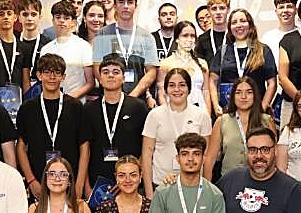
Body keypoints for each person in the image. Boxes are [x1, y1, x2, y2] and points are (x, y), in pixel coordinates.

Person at [78, 55, 149, 198]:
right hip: (96, 186)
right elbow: (85, 150)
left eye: (116, 72)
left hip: (131, 183)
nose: (110, 75)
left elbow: (145, 149)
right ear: (99, 78)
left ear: (124, 78)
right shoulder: (88, 110)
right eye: (105, 72)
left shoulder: (138, 107)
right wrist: (86, 187)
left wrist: (136, 177)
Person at [16, 53, 84, 201]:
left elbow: (84, 147)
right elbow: (20, 147)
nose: (52, 77)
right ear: (39, 75)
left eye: (57, 72)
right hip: (38, 181)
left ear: (63, 76)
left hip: (69, 181)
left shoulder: (75, 106)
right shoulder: (27, 108)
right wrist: (31, 181)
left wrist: (79, 183)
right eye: (47, 72)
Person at [142, 67, 212, 196]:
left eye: (182, 85)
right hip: (161, 184)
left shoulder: (202, 115)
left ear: (189, 89)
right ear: (166, 89)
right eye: (172, 85)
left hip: (193, 185)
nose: (177, 89)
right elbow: (146, 156)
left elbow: (206, 156)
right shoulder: (154, 115)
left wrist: (206, 189)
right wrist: (149, 194)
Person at [91, 0, 158, 100]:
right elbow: (96, 67)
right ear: (115, 6)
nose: (126, 6)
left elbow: (151, 72)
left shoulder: (147, 36)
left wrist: (132, 96)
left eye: (130, 2)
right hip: (109, 98)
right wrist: (112, 92)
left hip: (137, 100)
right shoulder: (102, 34)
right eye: (121, 2)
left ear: (136, 6)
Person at [205, 77, 275, 182]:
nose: (243, 97)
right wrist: (206, 189)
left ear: (255, 95)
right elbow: (210, 160)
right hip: (229, 182)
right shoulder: (222, 121)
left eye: (249, 92)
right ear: (232, 96)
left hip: (261, 180)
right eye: (238, 92)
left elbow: (275, 156)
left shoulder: (266, 121)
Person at [210, 9, 278, 116]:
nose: (239, 25)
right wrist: (215, 106)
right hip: (229, 111)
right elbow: (212, 80)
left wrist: (263, 107)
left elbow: (272, 83)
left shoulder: (263, 50)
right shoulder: (223, 51)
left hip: (255, 112)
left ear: (250, 25)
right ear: (230, 28)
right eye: (234, 22)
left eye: (243, 21)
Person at [40, 1, 94, 99]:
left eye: (66, 18)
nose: (61, 21)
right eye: (58, 17)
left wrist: (70, 98)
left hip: (76, 103)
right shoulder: (45, 49)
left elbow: (90, 83)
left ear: (73, 22)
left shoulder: (84, 47)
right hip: (51, 102)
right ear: (52, 20)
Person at [154, 21, 209, 109]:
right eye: (185, 35)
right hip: (173, 111)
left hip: (199, 111)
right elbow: (162, 93)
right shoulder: (166, 63)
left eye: (192, 36)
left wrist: (207, 117)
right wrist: (167, 114)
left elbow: (206, 92)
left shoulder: (202, 63)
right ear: (177, 38)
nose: (189, 39)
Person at [194, 0, 231, 83]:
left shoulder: (235, 36)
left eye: (222, 8)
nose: (218, 12)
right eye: (214, 8)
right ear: (209, 11)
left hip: (234, 88)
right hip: (210, 87)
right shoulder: (202, 39)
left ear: (228, 9)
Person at [17, 0, 49, 91]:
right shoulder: (13, 42)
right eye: (25, 14)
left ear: (40, 17)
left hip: (40, 91)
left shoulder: (47, 44)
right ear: (18, 17)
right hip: (15, 91)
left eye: (33, 14)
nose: (29, 18)